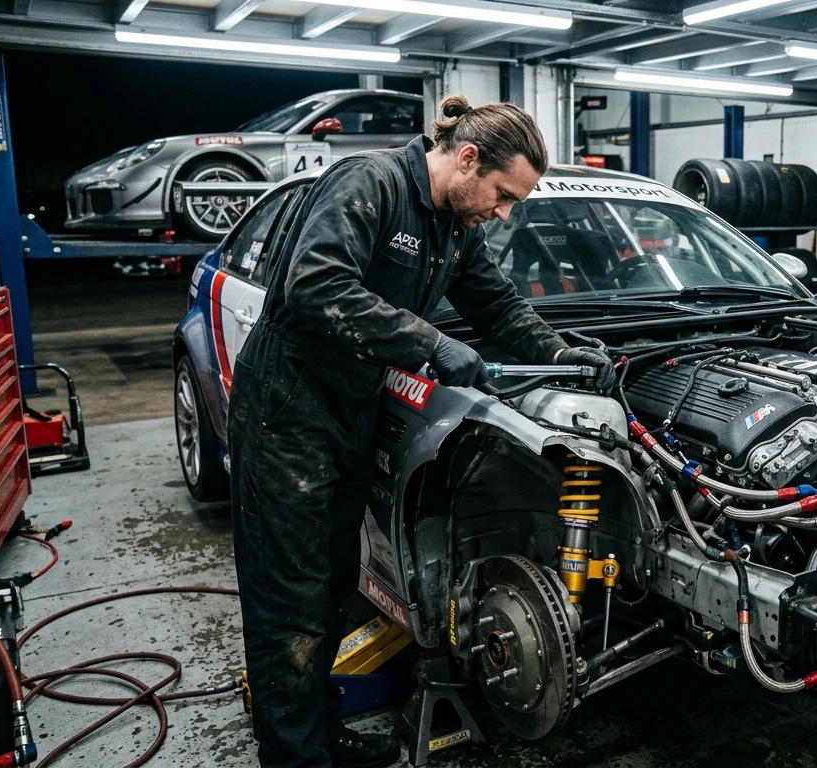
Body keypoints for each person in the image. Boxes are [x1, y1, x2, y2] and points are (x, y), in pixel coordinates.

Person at [227, 95, 614, 768]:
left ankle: (317, 731)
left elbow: (495, 302)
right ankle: (294, 758)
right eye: (502, 194)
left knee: (332, 587)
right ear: (467, 159)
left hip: (348, 412)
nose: (504, 212)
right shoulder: (371, 183)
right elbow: (314, 284)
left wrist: (558, 355)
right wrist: (429, 342)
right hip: (286, 414)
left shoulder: (454, 227)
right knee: (288, 601)